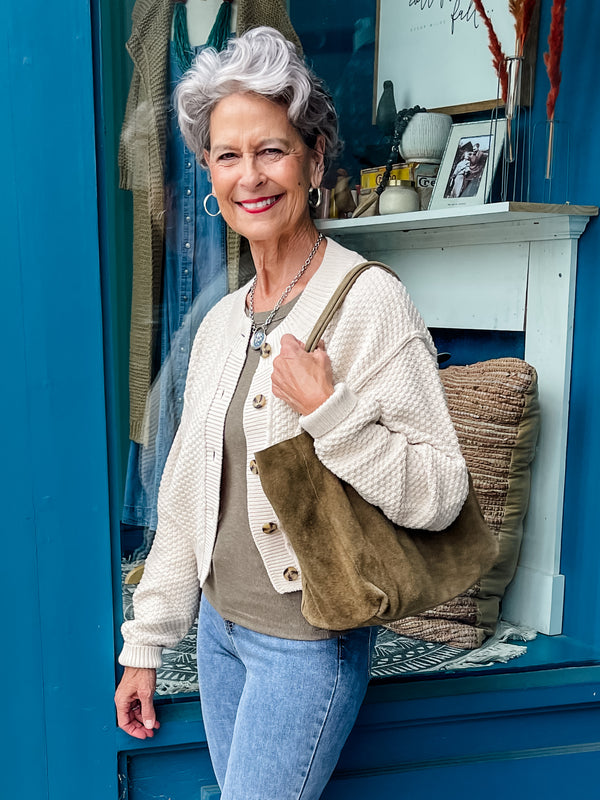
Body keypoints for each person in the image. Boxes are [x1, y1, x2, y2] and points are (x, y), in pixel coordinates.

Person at [114, 26, 469, 800]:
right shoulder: (222, 321)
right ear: (207, 172)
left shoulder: (370, 301)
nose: (251, 176)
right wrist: (147, 644)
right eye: (228, 155)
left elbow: (442, 495)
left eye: (271, 150)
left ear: (314, 159)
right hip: (218, 636)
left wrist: (333, 413)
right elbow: (185, 499)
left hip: (306, 645)